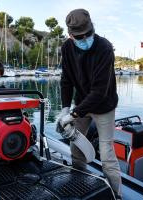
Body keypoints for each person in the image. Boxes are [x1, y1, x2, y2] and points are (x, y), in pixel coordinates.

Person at [57, 9, 122, 198]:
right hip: (81, 104)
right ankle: (80, 184)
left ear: (93, 28)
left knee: (107, 156)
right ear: (70, 36)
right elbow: (66, 80)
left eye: (89, 34)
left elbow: (99, 92)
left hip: (104, 106)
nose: (85, 39)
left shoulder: (104, 47)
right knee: (75, 149)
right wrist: (65, 109)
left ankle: (116, 195)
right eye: (80, 37)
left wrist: (73, 114)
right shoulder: (67, 48)